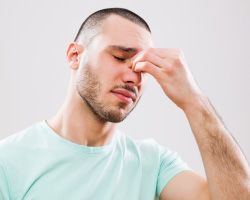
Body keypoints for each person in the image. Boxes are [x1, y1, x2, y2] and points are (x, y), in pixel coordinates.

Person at [0, 7, 249, 200]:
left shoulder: (154, 164)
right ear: (75, 56)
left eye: (142, 68)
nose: (133, 78)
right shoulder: (8, 161)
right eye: (120, 57)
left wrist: (194, 101)